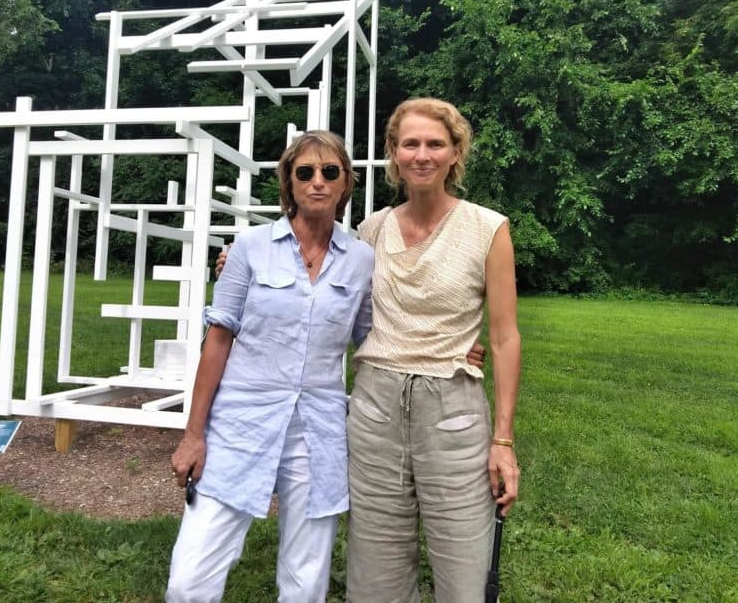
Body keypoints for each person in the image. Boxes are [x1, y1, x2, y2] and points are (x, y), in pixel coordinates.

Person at [166, 130, 375, 603]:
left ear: (346, 184)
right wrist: (193, 434)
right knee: (189, 580)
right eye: (305, 172)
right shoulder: (249, 248)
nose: (317, 182)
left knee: (306, 583)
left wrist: (447, 350)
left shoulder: (362, 260)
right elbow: (217, 340)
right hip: (240, 422)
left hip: (318, 431)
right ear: (289, 183)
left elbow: (373, 340)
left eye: (330, 172)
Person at [345, 97, 521, 603]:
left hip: (454, 411)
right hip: (375, 408)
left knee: (464, 572)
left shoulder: (488, 229)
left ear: (454, 154)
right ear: (393, 154)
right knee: (375, 574)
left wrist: (503, 441)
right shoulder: (371, 231)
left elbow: (505, 336)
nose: (422, 154)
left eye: (435, 144)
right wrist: (235, 261)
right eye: (410, 144)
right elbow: (322, 288)